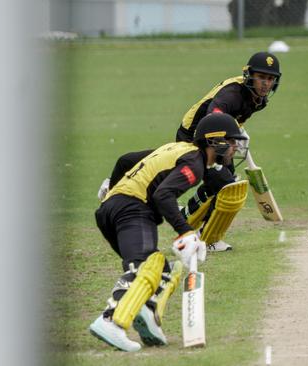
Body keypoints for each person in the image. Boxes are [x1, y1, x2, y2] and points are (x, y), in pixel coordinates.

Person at [89, 113, 246, 352]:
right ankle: (111, 320)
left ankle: (148, 313)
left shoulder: (176, 149)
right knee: (145, 265)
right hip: (132, 208)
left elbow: (125, 159)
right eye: (232, 142)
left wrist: (112, 188)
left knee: (164, 271)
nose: (235, 147)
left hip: (110, 209)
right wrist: (186, 232)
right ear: (216, 141)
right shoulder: (194, 163)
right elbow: (163, 195)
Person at [98, 51, 282, 252]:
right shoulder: (232, 94)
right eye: (261, 77)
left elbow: (233, 117)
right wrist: (233, 135)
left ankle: (199, 225)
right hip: (195, 134)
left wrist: (236, 132)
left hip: (220, 135)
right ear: (250, 75)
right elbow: (214, 116)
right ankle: (203, 235)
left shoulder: (259, 100)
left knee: (226, 182)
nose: (266, 83)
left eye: (270, 79)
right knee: (223, 182)